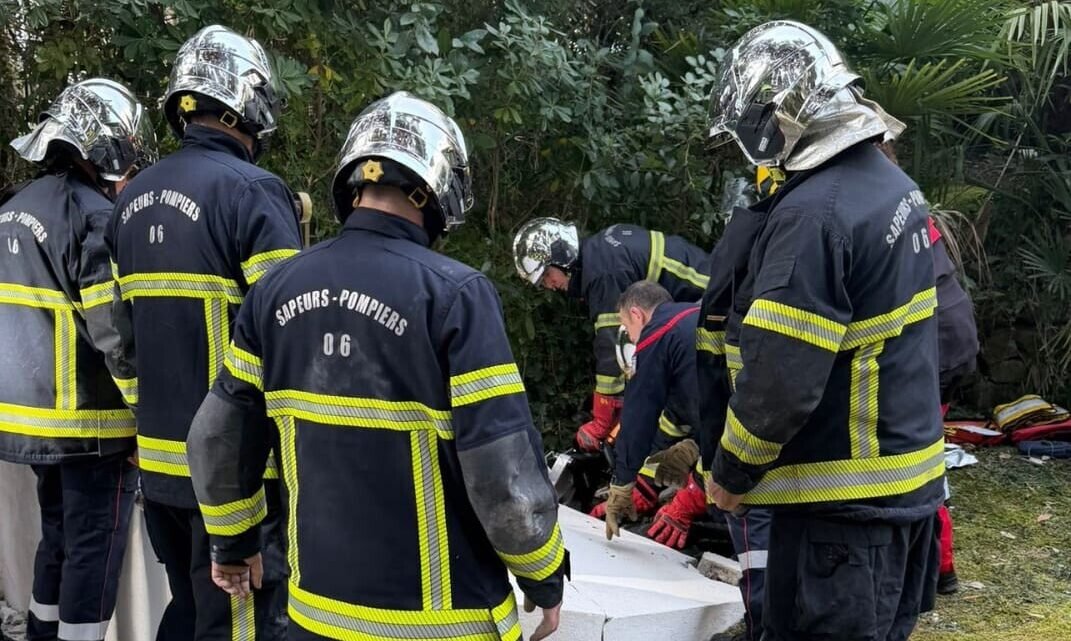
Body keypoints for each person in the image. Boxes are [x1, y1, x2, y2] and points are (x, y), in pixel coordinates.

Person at [187, 91, 568, 641]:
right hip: (442, 623)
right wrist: (543, 573)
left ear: (352, 182)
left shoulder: (275, 289)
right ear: (440, 186)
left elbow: (217, 438)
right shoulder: (456, 296)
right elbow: (501, 472)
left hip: (315, 615)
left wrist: (231, 544)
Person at [702, 20, 945, 641]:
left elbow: (781, 378)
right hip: (904, 489)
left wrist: (731, 473)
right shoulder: (891, 186)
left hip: (840, 512)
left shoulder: (815, 216)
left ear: (779, 118)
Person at [107, 25, 300, 641]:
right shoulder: (253, 193)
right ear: (250, 104)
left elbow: (118, 338)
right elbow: (289, 336)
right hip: (236, 478)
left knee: (189, 611)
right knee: (237, 626)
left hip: (159, 467)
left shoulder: (129, 201)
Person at [1, 78, 155, 641]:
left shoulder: (13, 209)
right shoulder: (93, 216)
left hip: (27, 421)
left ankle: (41, 634)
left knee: (58, 538)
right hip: (91, 426)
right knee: (94, 549)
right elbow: (113, 333)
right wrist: (146, 415)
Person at [601, 281, 767, 641]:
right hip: (763, 436)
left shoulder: (657, 335)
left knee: (756, 546)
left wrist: (622, 485)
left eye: (626, 326)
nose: (630, 336)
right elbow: (686, 411)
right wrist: (677, 458)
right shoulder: (694, 320)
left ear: (636, 314)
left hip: (743, 460)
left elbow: (638, 416)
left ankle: (762, 626)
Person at [512, 218, 709, 453]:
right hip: (698, 301)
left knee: (675, 396)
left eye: (546, 275)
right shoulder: (599, 254)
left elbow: (612, 344)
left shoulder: (603, 274)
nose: (549, 285)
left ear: (561, 256)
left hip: (710, 303)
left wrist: (602, 418)